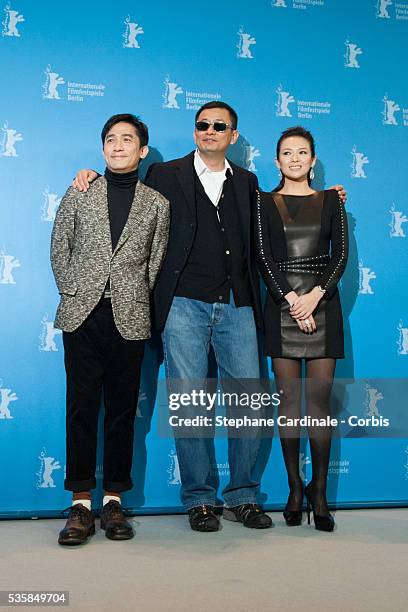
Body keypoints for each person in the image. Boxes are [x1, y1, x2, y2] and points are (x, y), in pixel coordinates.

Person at [73, 103, 347, 533]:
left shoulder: (250, 183)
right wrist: (88, 176)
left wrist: (329, 198)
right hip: (182, 302)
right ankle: (199, 499)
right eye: (203, 125)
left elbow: (276, 226)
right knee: (191, 406)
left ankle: (242, 496)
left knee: (247, 408)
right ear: (195, 130)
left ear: (232, 136)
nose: (210, 131)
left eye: (220, 126)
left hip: (238, 304)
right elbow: (125, 195)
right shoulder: (165, 175)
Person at [51, 113, 169, 545]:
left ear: (141, 150)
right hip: (82, 316)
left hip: (130, 317)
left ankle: (114, 501)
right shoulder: (80, 191)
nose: (118, 145)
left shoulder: (157, 204)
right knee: (81, 408)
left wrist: (133, 296)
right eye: (110, 139)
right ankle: (81, 504)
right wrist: (73, 289)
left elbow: (154, 264)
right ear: (103, 149)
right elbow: (58, 244)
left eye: (127, 139)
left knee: (122, 412)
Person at [254, 126, 348, 532]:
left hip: (323, 305)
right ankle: (294, 489)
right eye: (287, 153)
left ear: (313, 160)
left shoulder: (332, 201)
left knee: (320, 404)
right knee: (290, 403)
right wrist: (293, 300)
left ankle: (320, 492)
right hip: (282, 306)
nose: (294, 158)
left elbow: (339, 254)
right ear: (277, 161)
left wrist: (315, 296)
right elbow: (262, 255)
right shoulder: (263, 202)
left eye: (302, 152)